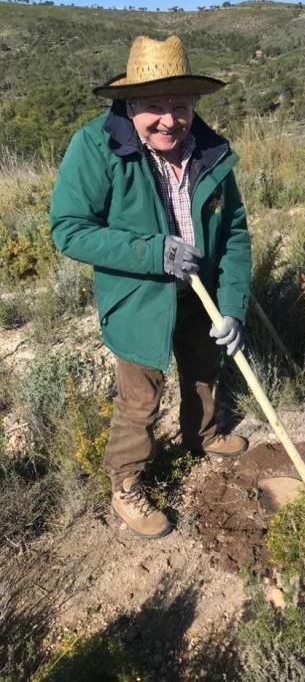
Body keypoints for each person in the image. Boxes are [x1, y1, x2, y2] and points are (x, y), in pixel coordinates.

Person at [49, 35, 252, 539]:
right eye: (154, 106)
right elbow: (69, 228)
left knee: (205, 368)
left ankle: (201, 434)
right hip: (139, 297)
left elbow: (234, 234)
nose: (169, 119)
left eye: (179, 105)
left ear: (194, 104)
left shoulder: (211, 151)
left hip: (200, 292)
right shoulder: (97, 147)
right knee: (140, 397)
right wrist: (153, 252)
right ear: (130, 103)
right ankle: (126, 483)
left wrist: (233, 308)